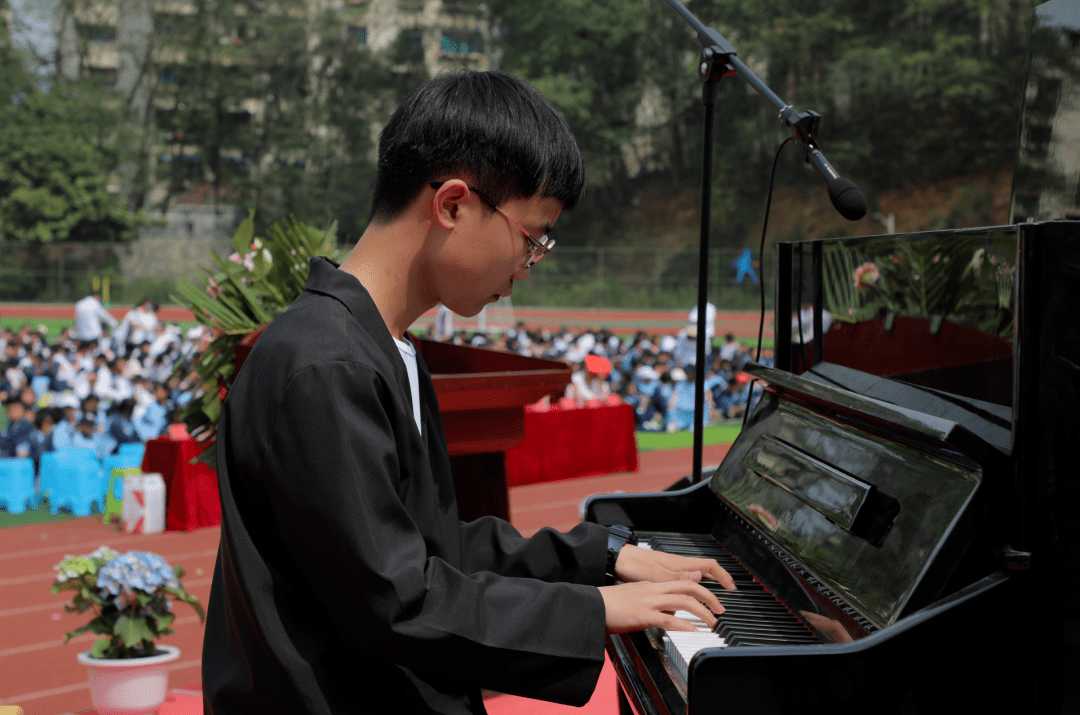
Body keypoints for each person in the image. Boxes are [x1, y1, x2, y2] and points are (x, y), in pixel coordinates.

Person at [202, 70, 734, 715]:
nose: (526, 267)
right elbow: (397, 602)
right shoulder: (326, 365)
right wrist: (591, 610)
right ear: (453, 204)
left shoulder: (381, 346)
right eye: (531, 238)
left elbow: (434, 547)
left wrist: (603, 555)